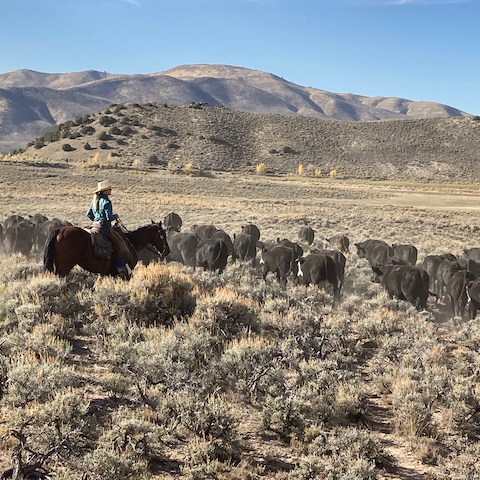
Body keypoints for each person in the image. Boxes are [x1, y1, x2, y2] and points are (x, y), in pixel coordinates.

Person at [87, 181, 130, 277]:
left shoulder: (95, 201)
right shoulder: (106, 201)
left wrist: (96, 220)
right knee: (118, 246)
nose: (111, 190)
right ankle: (120, 268)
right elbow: (108, 217)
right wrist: (115, 216)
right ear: (105, 191)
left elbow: (88, 214)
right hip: (104, 227)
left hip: (94, 226)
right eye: (109, 189)